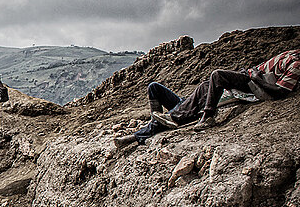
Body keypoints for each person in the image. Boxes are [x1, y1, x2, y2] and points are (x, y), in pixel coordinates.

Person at [115, 49, 300, 146]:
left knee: (216, 76)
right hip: (186, 104)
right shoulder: (292, 55)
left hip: (251, 85)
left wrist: (257, 77)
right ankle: (156, 122)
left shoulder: (297, 64)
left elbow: (281, 91)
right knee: (154, 87)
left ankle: (141, 134)